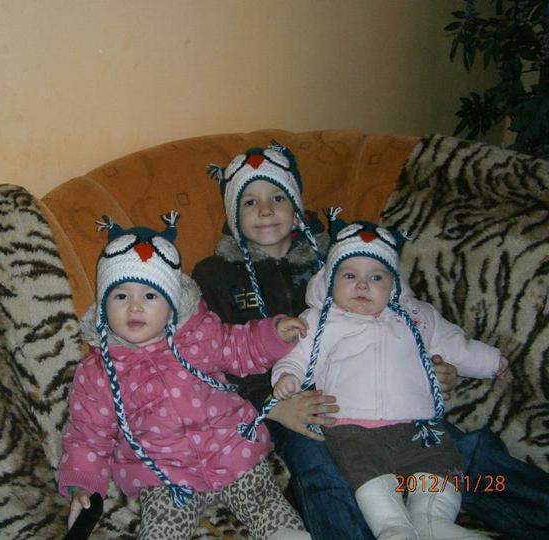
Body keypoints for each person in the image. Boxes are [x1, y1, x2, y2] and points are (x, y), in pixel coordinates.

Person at [191, 142, 549, 540]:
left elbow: (404, 313)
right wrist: (274, 406)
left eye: (277, 197)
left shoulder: (342, 258)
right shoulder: (214, 275)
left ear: (297, 206)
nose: (265, 210)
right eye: (250, 202)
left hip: (386, 397)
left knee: (465, 449)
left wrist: (430, 365)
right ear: (231, 215)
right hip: (297, 409)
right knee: (322, 466)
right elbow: (206, 359)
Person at [58, 212, 311, 540]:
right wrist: (83, 484)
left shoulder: (198, 333)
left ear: (173, 302)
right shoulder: (98, 371)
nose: (134, 307)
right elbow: (88, 435)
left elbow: (239, 345)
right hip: (165, 477)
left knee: (269, 508)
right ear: (104, 304)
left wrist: (274, 334)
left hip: (234, 451)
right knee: (161, 529)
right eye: (121, 296)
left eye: (150, 296)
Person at [267, 214, 507, 539]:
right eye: (349, 275)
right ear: (330, 281)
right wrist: (287, 377)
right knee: (373, 491)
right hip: (353, 431)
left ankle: (435, 524)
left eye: (377, 277)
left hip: (420, 428)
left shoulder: (416, 316)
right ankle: (395, 530)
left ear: (394, 284)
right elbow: (296, 355)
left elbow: (454, 344)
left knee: (440, 473)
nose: (362, 285)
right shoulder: (322, 321)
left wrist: (491, 361)